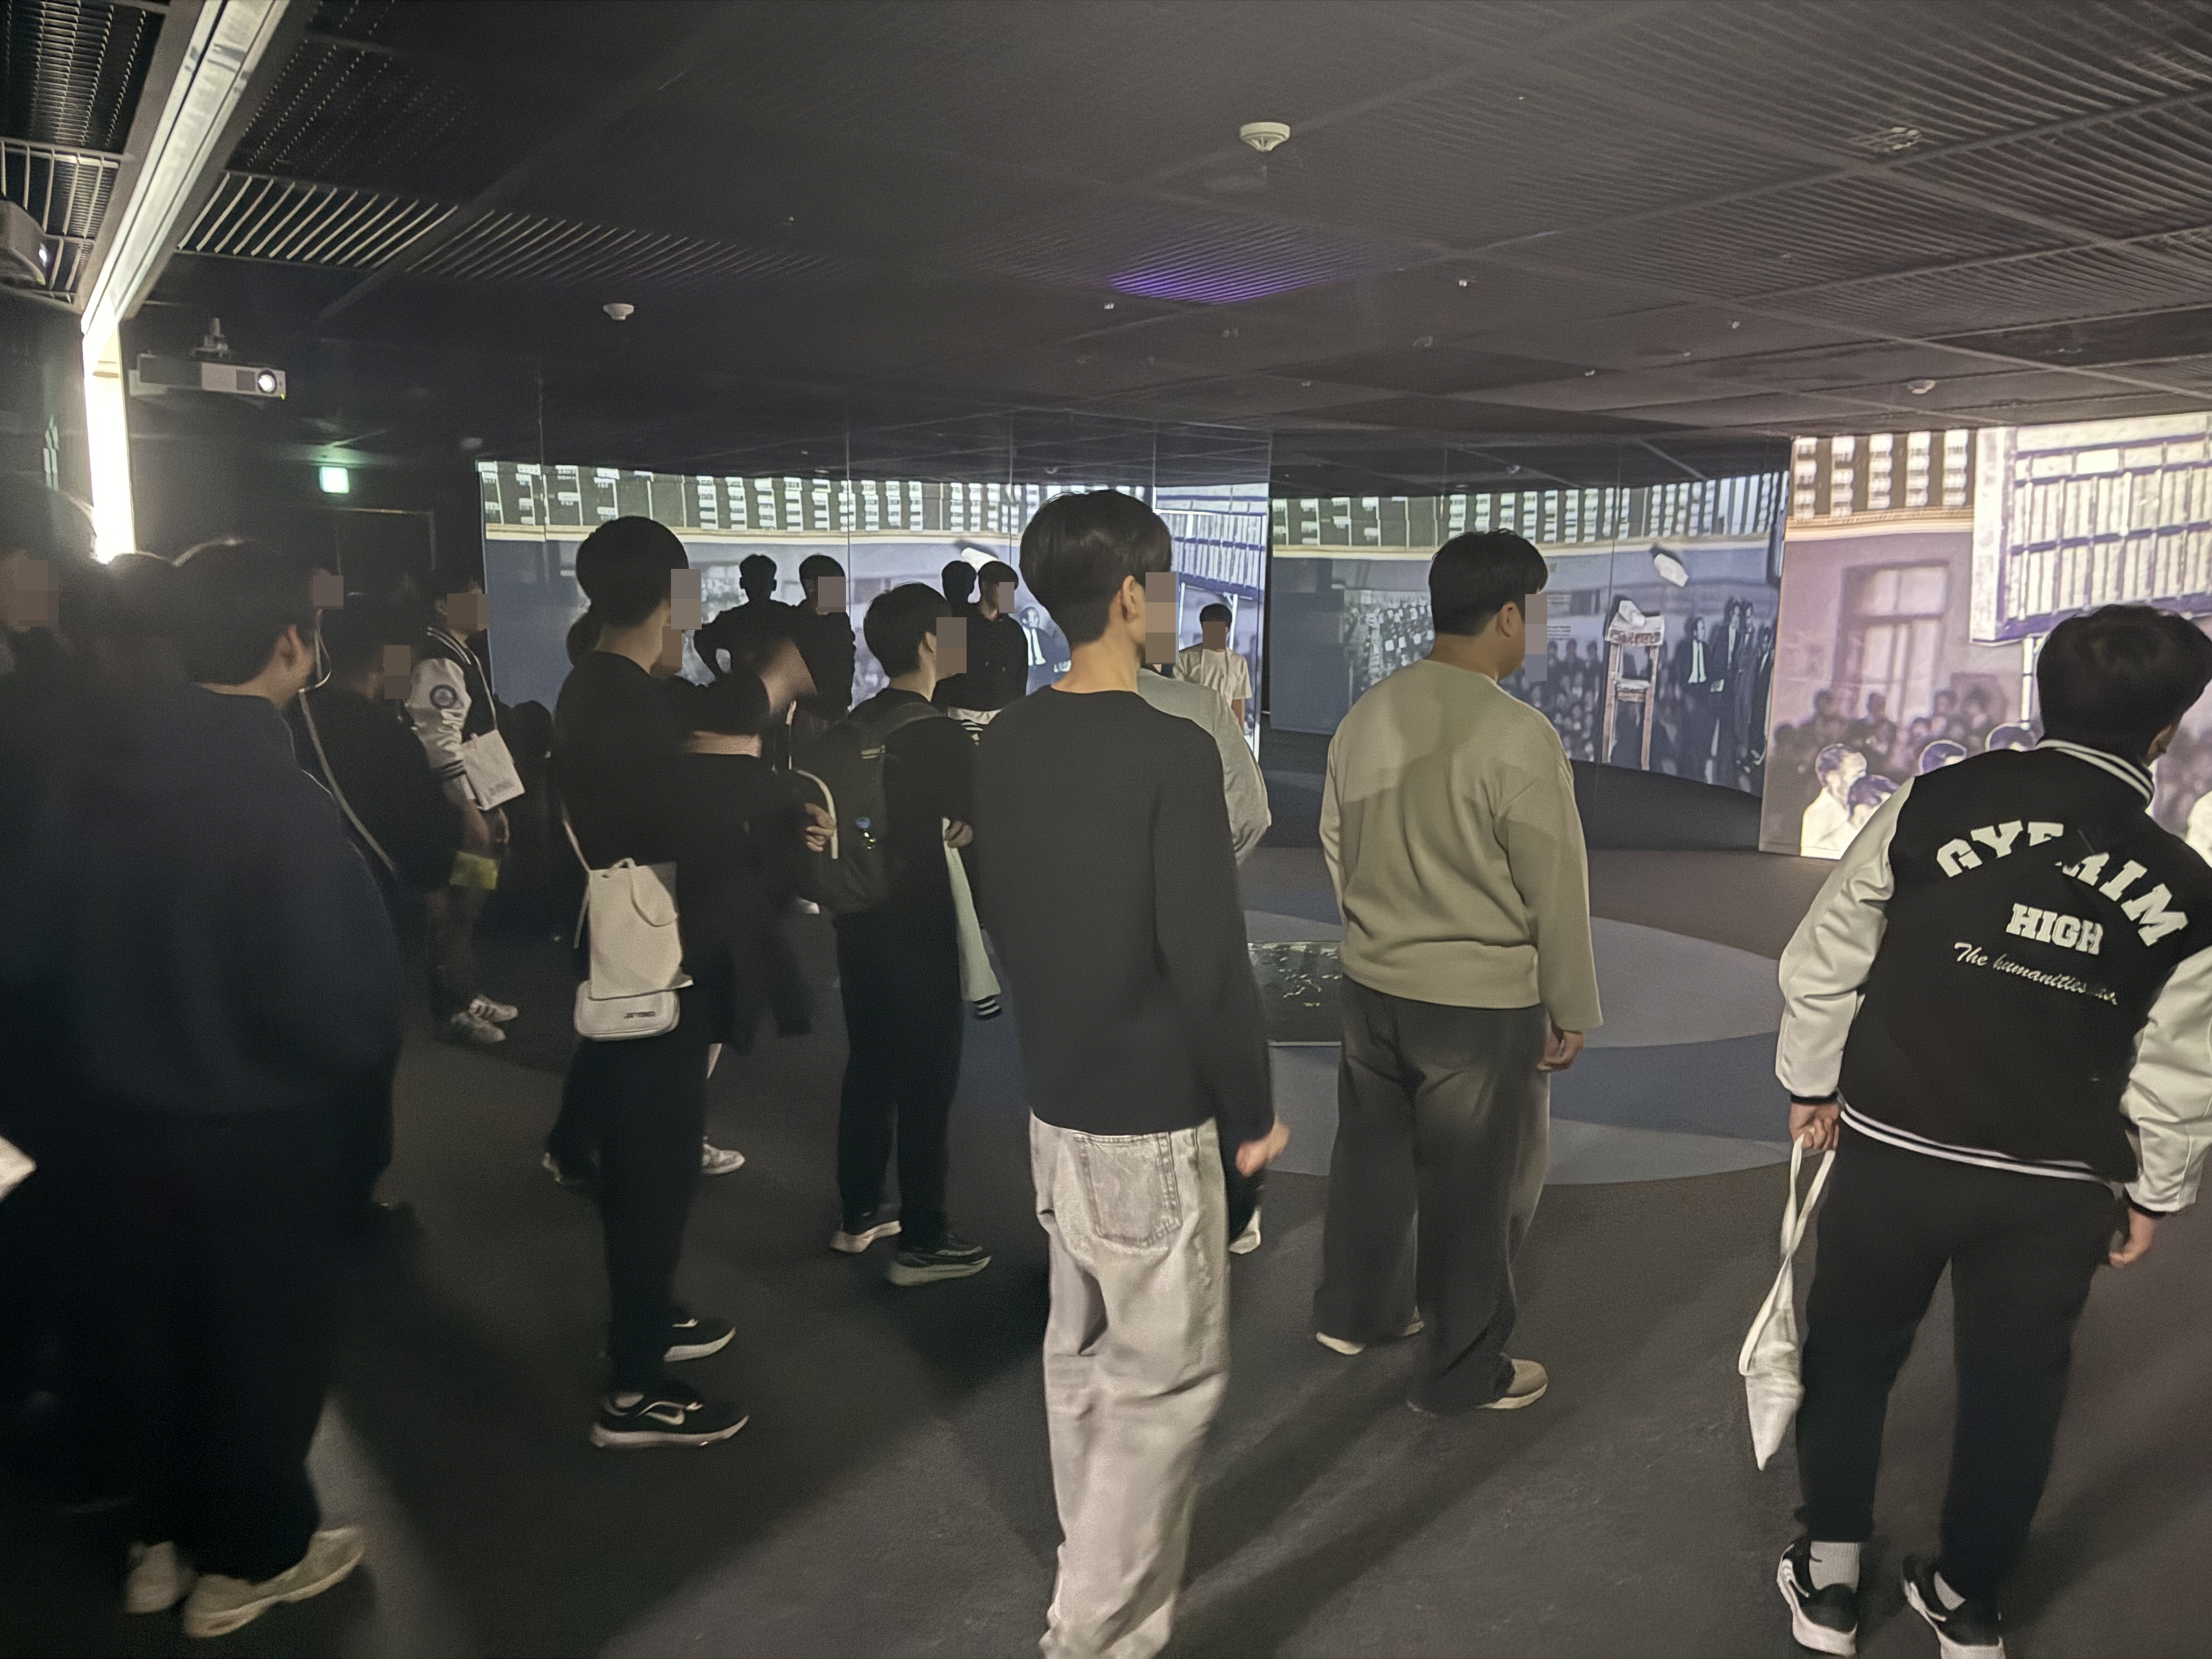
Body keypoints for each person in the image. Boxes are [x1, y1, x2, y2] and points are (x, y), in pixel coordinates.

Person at [1771, 605, 2212, 1659]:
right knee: (2017, 1389)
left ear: (2041, 698)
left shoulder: (1933, 801)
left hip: (1894, 1144)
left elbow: (1828, 948)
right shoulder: (2188, 886)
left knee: (1849, 1353)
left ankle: (1828, 1581)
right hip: (2054, 1182)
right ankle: (1967, 1598)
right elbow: (2182, 1065)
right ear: (2165, 731)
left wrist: (1810, 1079)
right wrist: (2154, 1188)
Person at [64, 539, 396, 1636]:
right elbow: (337, 1001)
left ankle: (156, 1541)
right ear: (292, 644)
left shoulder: (94, 776)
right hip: (259, 1124)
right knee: (262, 1340)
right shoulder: (279, 800)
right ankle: (249, 1561)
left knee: (151, 1327)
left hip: (117, 1117)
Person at [978, 490, 1284, 1659]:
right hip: (1152, 1116)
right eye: (1155, 584)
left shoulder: (1007, 737)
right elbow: (1206, 959)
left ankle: (1090, 1577)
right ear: (1126, 596)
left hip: (1056, 1101)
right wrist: (1252, 1113)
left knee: (1080, 1361)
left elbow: (1006, 909)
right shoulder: (1172, 748)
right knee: (1163, 1387)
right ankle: (1092, 1631)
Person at [1316, 529, 1599, 1415]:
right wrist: (1570, 1001)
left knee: (1370, 1155)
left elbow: (1335, 843)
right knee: (1473, 1191)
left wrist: (1375, 930)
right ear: (1508, 615)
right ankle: (1459, 1370)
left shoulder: (1368, 714)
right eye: (1535, 612)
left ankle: (1355, 1311)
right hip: (1476, 1004)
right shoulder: (1517, 735)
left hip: (1372, 985)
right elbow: (1554, 882)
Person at [545, 517, 746, 1449]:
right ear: (668, 595)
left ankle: (649, 1315)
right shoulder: (624, 698)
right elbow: (683, 830)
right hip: (658, 962)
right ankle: (633, 1392)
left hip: (633, 953)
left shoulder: (598, 684)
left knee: (646, 1159)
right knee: (651, 1169)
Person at [825, 583, 991, 1285]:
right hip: (922, 928)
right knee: (928, 1083)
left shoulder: (854, 726)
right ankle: (925, 1236)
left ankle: (859, 1211)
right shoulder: (941, 736)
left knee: (869, 1067)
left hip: (860, 922)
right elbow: (977, 831)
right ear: (929, 642)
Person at [1131, 659, 1273, 1250]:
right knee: (1220, 1042)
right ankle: (1235, 1208)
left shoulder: (1035, 721)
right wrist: (1204, 864)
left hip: (1096, 927)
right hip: (1197, 908)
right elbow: (1252, 814)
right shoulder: (1197, 706)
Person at [405, 568, 522, 1046]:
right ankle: (453, 1006)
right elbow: (440, 741)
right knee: (458, 909)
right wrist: (470, 810)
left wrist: (492, 804)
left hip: (473, 805)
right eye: (474, 597)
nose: (485, 606)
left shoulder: (457, 653)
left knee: (470, 906)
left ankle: (465, 991)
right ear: (441, 605)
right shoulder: (439, 659)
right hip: (456, 812)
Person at [933, 558, 1028, 735]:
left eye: (1012, 590)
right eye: (1003, 587)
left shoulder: (1014, 630)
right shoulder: (956, 622)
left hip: (1003, 716)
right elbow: (946, 676)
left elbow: (1020, 676)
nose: (1008, 594)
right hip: (961, 715)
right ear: (985, 586)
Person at [696, 552, 793, 681]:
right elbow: (702, 638)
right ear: (774, 585)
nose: (758, 586)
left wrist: (721, 676)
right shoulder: (788, 616)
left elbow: (701, 639)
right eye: (754, 581)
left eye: (762, 581)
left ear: (742, 583)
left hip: (743, 689)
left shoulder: (732, 620)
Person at [791, 553, 856, 729]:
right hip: (811, 714)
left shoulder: (840, 619)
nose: (839, 593)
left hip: (840, 711)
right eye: (834, 586)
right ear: (810, 586)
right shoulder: (795, 623)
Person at [1175, 601, 1252, 729]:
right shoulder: (1185, 658)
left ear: (1227, 630)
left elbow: (1237, 703)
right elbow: (1175, 698)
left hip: (1223, 730)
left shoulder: (1238, 662)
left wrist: (1240, 735)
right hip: (1191, 727)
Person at [1802, 744, 1867, 859]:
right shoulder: (1819, 813)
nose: (1865, 778)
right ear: (1832, 777)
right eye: (1857, 774)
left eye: (1865, 772)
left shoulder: (1861, 804)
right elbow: (1812, 859)